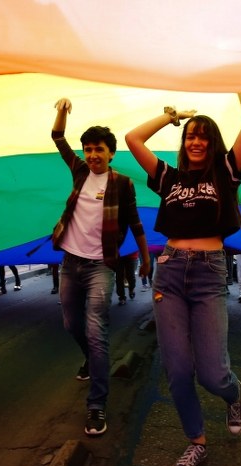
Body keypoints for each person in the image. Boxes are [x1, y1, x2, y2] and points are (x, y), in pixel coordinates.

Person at [125, 93, 241, 466]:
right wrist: (170, 118)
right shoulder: (169, 178)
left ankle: (233, 395)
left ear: (213, 143)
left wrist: (239, 82)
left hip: (208, 275)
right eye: (190, 136)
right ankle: (196, 441)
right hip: (169, 272)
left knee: (213, 374)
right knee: (178, 370)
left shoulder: (226, 171)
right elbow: (133, 138)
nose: (195, 141)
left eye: (203, 136)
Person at [51, 98, 151, 436]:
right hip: (69, 263)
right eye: (88, 149)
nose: (93, 155)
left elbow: (136, 223)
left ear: (111, 154)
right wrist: (63, 111)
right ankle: (91, 361)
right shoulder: (79, 172)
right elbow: (57, 137)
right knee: (70, 323)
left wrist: (146, 258)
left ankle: (96, 406)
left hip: (101, 267)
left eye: (99, 149)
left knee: (97, 332)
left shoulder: (122, 183)